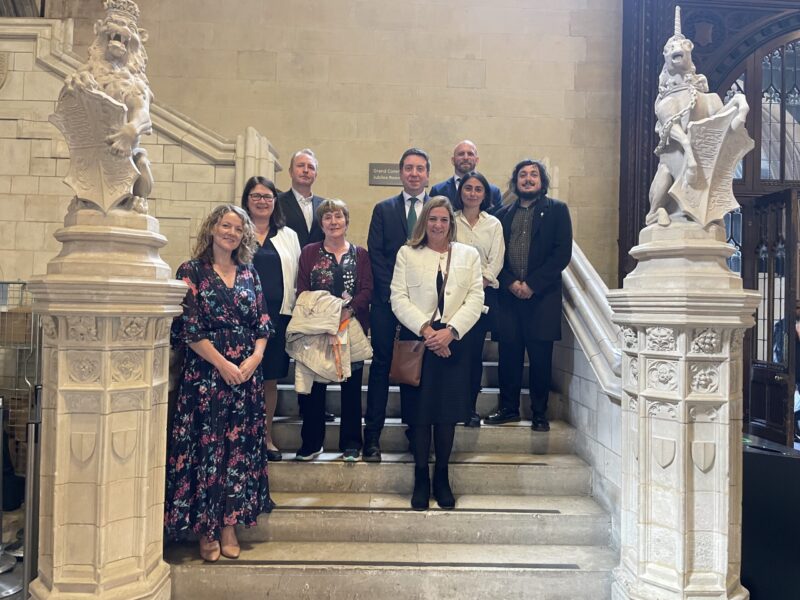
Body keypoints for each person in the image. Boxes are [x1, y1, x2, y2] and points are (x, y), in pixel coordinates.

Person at [165, 204, 274, 562]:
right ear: (212, 228)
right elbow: (189, 329)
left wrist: (255, 358)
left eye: (238, 228)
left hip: (246, 378)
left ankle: (229, 525)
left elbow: (262, 324)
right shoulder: (191, 271)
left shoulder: (249, 274)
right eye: (225, 225)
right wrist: (223, 364)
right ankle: (206, 529)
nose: (231, 232)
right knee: (206, 451)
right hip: (207, 377)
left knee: (237, 453)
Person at [391, 196, 483, 510]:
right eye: (432, 219)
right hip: (420, 342)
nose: (438, 225)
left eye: (444, 220)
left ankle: (441, 475)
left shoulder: (468, 255)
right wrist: (428, 331)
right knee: (419, 415)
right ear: (424, 222)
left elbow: (475, 297)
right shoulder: (407, 253)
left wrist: (451, 332)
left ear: (451, 223)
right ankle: (420, 476)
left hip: (454, 343)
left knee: (447, 415)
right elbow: (398, 298)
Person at [485, 160, 572, 432]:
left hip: (542, 298)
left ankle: (539, 413)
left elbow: (561, 253)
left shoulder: (557, 210)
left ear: (541, 181)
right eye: (522, 175)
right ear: (516, 182)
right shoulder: (501, 214)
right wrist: (510, 282)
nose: (528, 179)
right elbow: (495, 255)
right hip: (508, 299)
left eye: (534, 174)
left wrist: (532, 284)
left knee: (540, 359)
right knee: (508, 357)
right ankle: (508, 408)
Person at [293, 199, 373, 461]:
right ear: (321, 224)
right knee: (315, 388)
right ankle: (312, 442)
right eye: (327, 217)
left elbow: (367, 290)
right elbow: (303, 288)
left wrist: (347, 312)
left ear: (347, 222)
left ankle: (351, 442)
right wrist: (324, 317)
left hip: (350, 326)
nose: (333, 222)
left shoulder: (360, 254)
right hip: (317, 329)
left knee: (350, 388)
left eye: (338, 216)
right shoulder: (309, 252)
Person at [364, 148, 431, 462]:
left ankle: (414, 436)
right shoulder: (383, 208)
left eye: (420, 168)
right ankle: (372, 439)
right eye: (408, 168)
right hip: (386, 304)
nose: (414, 173)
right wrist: (395, 294)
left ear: (427, 174)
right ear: (401, 172)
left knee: (414, 370)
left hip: (422, 310)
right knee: (381, 368)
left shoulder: (436, 210)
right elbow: (375, 253)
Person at [242, 176, 301, 462]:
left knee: (269, 380)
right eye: (256, 196)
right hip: (240, 318)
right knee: (242, 377)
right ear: (247, 199)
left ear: (275, 202)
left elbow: (297, 276)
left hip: (277, 318)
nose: (262, 201)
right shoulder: (236, 230)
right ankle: (241, 438)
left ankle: (266, 438)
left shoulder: (288, 235)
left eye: (267, 196)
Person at [452, 171, 505, 427]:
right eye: (468, 188)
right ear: (460, 191)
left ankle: (469, 409)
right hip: (451, 300)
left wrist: (478, 283)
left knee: (473, 356)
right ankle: (451, 406)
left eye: (478, 189)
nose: (472, 193)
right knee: (454, 355)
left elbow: (497, 260)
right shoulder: (450, 221)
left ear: (485, 195)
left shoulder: (493, 224)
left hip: (482, 299)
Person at [430, 140, 502, 211]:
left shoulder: (494, 192)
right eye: (461, 154)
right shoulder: (437, 191)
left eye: (470, 154)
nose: (465, 158)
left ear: (477, 160)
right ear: (453, 160)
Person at [277, 148, 325, 247]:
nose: (306, 170)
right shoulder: (276, 202)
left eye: (311, 167)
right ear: (290, 172)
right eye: (300, 166)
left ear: (315, 175)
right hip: (287, 260)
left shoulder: (324, 206)